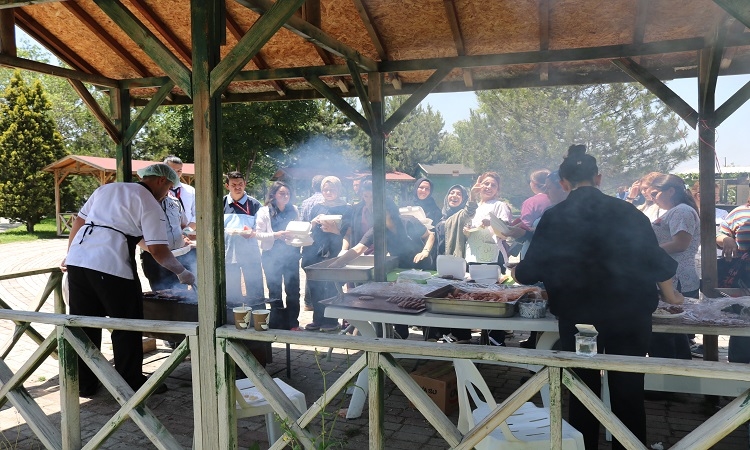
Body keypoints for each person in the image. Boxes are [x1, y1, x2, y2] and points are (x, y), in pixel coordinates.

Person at [513, 145, 680, 450]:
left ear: (564, 182)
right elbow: (660, 264)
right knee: (628, 391)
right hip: (629, 319)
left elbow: (527, 273)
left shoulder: (555, 217)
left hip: (581, 324)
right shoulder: (629, 212)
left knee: (582, 390)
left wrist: (517, 270)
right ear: (599, 178)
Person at [62, 163, 195, 397]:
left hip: (78, 261)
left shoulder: (106, 189)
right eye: (169, 188)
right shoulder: (150, 203)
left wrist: (69, 252)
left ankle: (84, 383)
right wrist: (182, 272)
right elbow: (158, 251)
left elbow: (80, 223)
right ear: (161, 181)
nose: (167, 194)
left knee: (84, 323)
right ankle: (130, 381)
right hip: (110, 264)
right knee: (127, 323)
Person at [338, 198, 435, 339]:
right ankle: (401, 334)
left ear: (390, 211)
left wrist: (425, 251)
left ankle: (430, 335)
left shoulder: (409, 221)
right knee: (399, 298)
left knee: (423, 300)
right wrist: (337, 263)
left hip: (423, 266)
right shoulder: (378, 230)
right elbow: (359, 248)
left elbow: (430, 235)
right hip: (400, 268)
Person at [647, 174, 699, 360]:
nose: (652, 198)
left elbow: (681, 243)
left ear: (670, 191)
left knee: (666, 335)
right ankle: (675, 380)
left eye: (655, 193)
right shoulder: (673, 211)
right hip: (670, 277)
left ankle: (669, 382)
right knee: (673, 336)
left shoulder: (682, 211)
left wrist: (647, 252)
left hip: (677, 280)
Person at [426, 184, 476, 342]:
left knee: (456, 299)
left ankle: (461, 336)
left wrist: (473, 197)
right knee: (441, 299)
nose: (454, 196)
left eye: (459, 194)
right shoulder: (442, 216)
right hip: (440, 264)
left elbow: (469, 211)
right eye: (451, 193)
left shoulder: (461, 215)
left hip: (455, 263)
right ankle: (442, 334)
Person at [302, 176, 351, 332]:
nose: (328, 192)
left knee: (331, 285)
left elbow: (350, 233)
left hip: (335, 250)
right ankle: (317, 319)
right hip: (316, 249)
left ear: (339, 189)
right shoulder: (317, 207)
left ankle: (331, 320)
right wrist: (314, 222)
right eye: (325, 190)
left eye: (332, 189)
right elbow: (309, 229)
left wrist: (335, 230)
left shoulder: (347, 208)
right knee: (315, 286)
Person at [256, 181, 302, 330]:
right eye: (282, 193)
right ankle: (278, 323)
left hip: (291, 256)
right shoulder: (264, 211)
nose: (285, 196)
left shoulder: (294, 210)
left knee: (293, 291)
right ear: (274, 194)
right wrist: (277, 235)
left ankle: (293, 323)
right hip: (271, 256)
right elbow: (258, 234)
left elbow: (299, 230)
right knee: (274, 291)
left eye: (287, 193)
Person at [139, 179, 196, 291]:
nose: (170, 189)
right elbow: (137, 236)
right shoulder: (143, 203)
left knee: (181, 295)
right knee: (163, 296)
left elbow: (183, 226)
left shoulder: (175, 202)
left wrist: (188, 234)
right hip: (155, 259)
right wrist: (161, 253)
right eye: (168, 186)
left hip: (180, 256)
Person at [464, 172, 524, 268]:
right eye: (486, 183)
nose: (489, 187)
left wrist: (491, 223)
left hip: (493, 256)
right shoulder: (474, 206)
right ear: (479, 185)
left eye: (493, 185)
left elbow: (506, 232)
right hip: (472, 255)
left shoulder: (499, 205)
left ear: (497, 190)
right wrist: (467, 231)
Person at [716, 192, 750, 363]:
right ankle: (739, 376)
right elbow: (719, 235)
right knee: (743, 328)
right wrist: (726, 238)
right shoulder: (739, 213)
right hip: (745, 280)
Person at [223, 171, 264, 304]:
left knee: (255, 291)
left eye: (240, 184)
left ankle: (258, 318)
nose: (237, 187)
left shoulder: (255, 204)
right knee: (231, 292)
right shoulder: (220, 203)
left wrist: (252, 232)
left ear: (245, 184)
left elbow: (261, 228)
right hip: (228, 254)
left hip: (250, 254)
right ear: (227, 186)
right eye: (233, 184)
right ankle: (232, 321)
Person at [163, 155, 196, 231]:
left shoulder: (190, 190)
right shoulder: (159, 191)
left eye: (179, 171)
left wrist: (186, 231)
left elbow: (198, 213)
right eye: (172, 170)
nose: (176, 174)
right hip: (167, 234)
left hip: (188, 234)